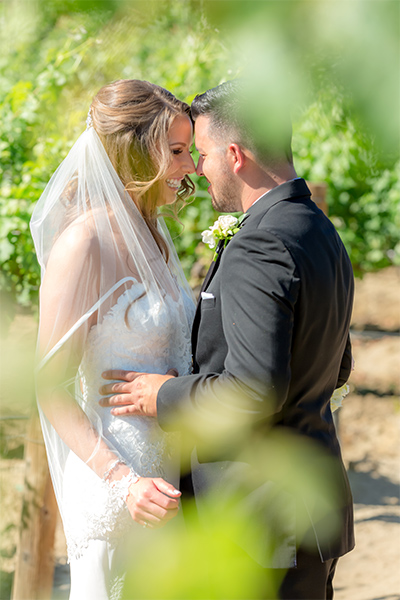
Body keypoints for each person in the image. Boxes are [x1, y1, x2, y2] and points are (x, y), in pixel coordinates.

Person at [99, 80, 355, 599]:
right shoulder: (316, 228)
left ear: (235, 155)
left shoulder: (259, 243)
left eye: (204, 153)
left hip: (257, 530)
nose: (197, 167)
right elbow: (339, 365)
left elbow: (253, 390)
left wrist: (161, 395)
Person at [30, 79, 196, 600]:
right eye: (176, 151)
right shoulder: (83, 244)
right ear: (136, 152)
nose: (189, 166)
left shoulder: (155, 237)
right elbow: (48, 386)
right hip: (118, 494)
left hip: (172, 485)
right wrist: (125, 483)